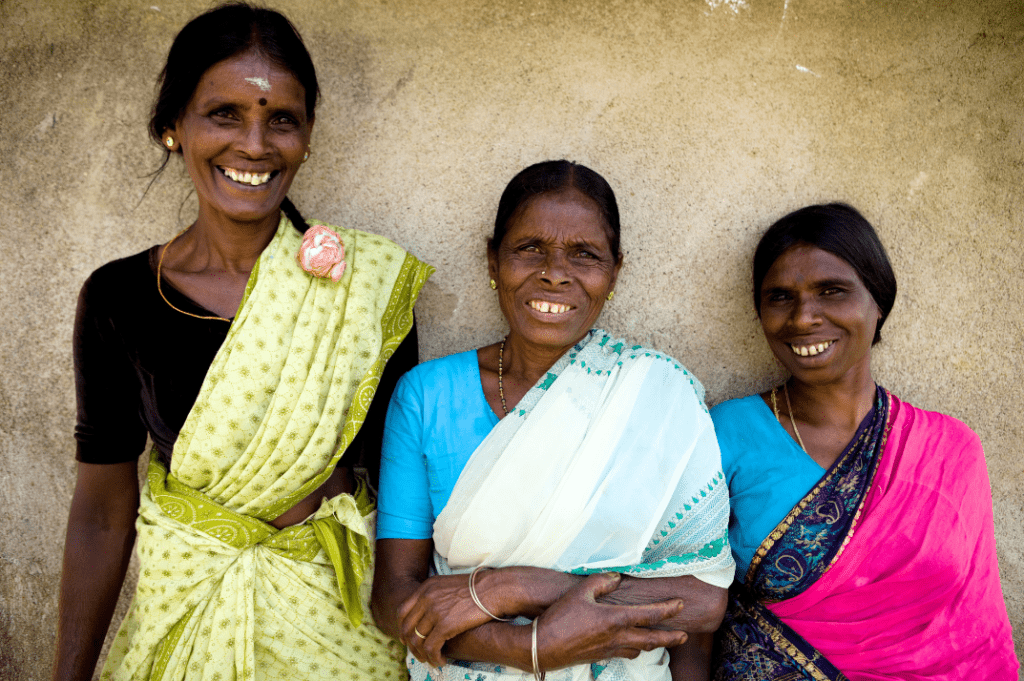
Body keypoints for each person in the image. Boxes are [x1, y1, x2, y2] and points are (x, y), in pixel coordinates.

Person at [52, 4, 433, 680]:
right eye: (224, 113)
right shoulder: (119, 299)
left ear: (308, 136)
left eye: (281, 119)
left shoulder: (365, 289)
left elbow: (405, 496)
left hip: (335, 640)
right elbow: (103, 516)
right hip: (185, 621)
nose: (254, 144)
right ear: (174, 127)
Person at [371, 160, 735, 681]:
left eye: (584, 255)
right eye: (529, 249)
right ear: (493, 259)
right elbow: (393, 600)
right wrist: (527, 649)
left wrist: (511, 587)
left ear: (615, 272)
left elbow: (701, 601)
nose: (555, 272)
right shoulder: (427, 395)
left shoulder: (659, 394)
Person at [710, 203, 1018, 680]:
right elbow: (686, 603)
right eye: (780, 297)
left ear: (879, 301)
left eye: (832, 291)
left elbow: (974, 629)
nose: (804, 317)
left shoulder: (949, 450)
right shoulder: (726, 433)